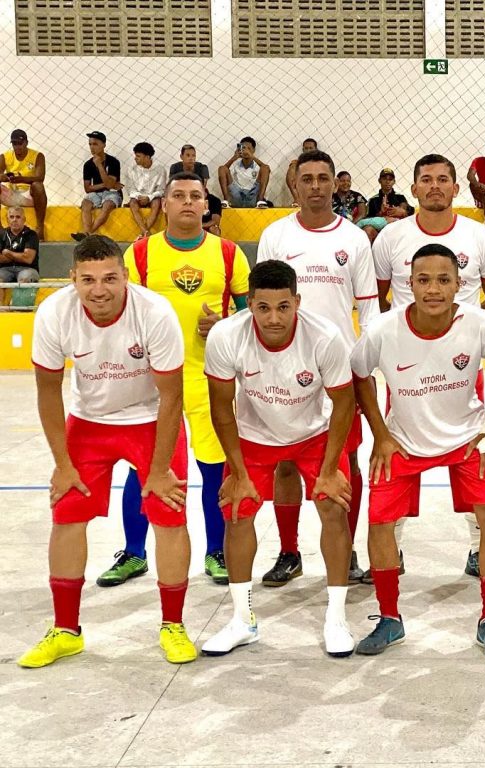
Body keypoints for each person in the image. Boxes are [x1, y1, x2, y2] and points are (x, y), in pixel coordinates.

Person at [20, 235, 194, 668]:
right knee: (66, 512)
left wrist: (158, 470)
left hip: (150, 420)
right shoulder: (54, 313)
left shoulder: (155, 312)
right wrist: (62, 465)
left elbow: (172, 397)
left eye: (110, 278)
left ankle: (173, 625)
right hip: (89, 422)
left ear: (126, 276)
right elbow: (48, 392)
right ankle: (65, 630)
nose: (99, 289)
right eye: (88, 280)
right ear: (73, 279)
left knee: (169, 512)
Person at [351, 243, 485, 659]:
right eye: (423, 280)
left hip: (468, 437)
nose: (434, 289)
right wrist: (380, 435)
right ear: (408, 285)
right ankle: (390, 617)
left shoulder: (480, 323)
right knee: (379, 523)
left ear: (460, 284)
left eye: (443, 280)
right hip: (402, 441)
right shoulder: (383, 329)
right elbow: (358, 374)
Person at [99, 172, 250, 589]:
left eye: (195, 196)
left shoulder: (229, 253)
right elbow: (120, 313)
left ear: (206, 205)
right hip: (151, 385)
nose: (187, 202)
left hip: (208, 380)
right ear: (163, 204)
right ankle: (134, 552)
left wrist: (224, 325)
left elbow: (249, 316)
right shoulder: (140, 254)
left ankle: (216, 552)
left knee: (214, 469)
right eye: (178, 195)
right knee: (145, 468)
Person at [202, 260, 358, 658]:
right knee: (237, 511)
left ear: (297, 302)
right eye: (263, 308)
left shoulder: (325, 337)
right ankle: (242, 620)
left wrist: (329, 470)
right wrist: (237, 472)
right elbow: (221, 408)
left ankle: (336, 618)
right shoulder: (225, 336)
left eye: (283, 307)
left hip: (313, 435)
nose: (274, 318)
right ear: (249, 304)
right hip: (254, 436)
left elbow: (344, 404)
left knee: (333, 507)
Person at [372, 153, 485, 581]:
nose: (435, 186)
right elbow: (378, 298)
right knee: (395, 458)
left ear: (456, 187)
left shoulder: (478, 236)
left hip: (462, 369)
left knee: (475, 457)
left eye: (443, 179)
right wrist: (414, 332)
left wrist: (459, 331)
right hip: (407, 371)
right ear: (413, 189)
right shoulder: (392, 238)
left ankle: (477, 547)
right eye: (426, 179)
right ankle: (392, 547)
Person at [257, 149, 378, 586]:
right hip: (282, 369)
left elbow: (368, 307)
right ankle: (289, 552)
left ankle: (346, 551)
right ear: (295, 185)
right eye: (306, 178)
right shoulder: (275, 235)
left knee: (347, 463)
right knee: (285, 463)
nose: (314, 186)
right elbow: (262, 301)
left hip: (339, 373)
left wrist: (364, 365)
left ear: (335, 183)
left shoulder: (354, 239)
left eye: (322, 178)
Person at [73, 131, 121, 241]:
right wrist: (107, 184)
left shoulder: (113, 162)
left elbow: (109, 186)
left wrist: (99, 165)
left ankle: (87, 233)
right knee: (86, 204)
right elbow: (88, 188)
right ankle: (87, 233)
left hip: (112, 193)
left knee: (107, 205)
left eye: (95, 144)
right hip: (96, 193)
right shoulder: (88, 164)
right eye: (90, 144)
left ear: (104, 145)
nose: (92, 147)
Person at [1, 128, 48, 239]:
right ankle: (0, 229)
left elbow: (40, 178)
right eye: (14, 144)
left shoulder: (38, 156)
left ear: (26, 142)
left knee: (38, 186)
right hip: (11, 194)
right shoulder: (5, 156)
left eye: (20, 143)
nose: (17, 146)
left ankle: (40, 227)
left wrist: (22, 179)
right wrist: (6, 177)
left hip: (29, 195)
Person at [123, 142, 167, 240]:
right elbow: (130, 189)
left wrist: (149, 197)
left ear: (147, 157)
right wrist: (139, 196)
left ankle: (142, 234)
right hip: (137, 197)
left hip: (153, 197)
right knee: (132, 203)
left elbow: (161, 190)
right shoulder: (131, 169)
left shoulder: (160, 169)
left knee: (157, 203)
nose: (135, 158)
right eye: (135, 155)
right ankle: (146, 232)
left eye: (138, 156)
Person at [357, 168, 410, 243]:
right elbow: (368, 220)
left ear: (394, 181)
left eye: (390, 179)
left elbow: (408, 216)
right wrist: (381, 213)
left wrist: (402, 212)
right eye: (385, 179)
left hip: (397, 229)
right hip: (379, 232)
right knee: (367, 230)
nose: (387, 182)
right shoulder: (373, 200)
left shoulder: (401, 197)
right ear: (379, 180)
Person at [0, 206, 40, 303]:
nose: (14, 220)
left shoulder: (31, 235)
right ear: (7, 219)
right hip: (4, 269)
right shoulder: (1, 234)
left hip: (27, 268)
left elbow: (28, 259)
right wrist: (19, 256)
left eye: (18, 217)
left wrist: (8, 253)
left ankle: (19, 308)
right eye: (11, 217)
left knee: (26, 277)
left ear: (24, 219)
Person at [217, 136, 271, 209]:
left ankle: (260, 202)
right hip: (237, 196)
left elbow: (267, 169)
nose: (246, 151)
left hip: (252, 196)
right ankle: (226, 201)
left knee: (265, 168)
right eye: (244, 148)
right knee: (221, 168)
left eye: (249, 148)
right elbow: (223, 170)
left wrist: (252, 157)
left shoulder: (258, 165)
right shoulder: (235, 163)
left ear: (253, 150)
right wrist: (234, 158)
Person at [286, 138, 319, 205]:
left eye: (311, 148)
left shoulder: (322, 162)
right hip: (303, 188)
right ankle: (297, 200)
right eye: (306, 148)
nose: (308, 151)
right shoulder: (297, 163)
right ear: (303, 150)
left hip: (317, 187)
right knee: (293, 168)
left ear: (316, 150)